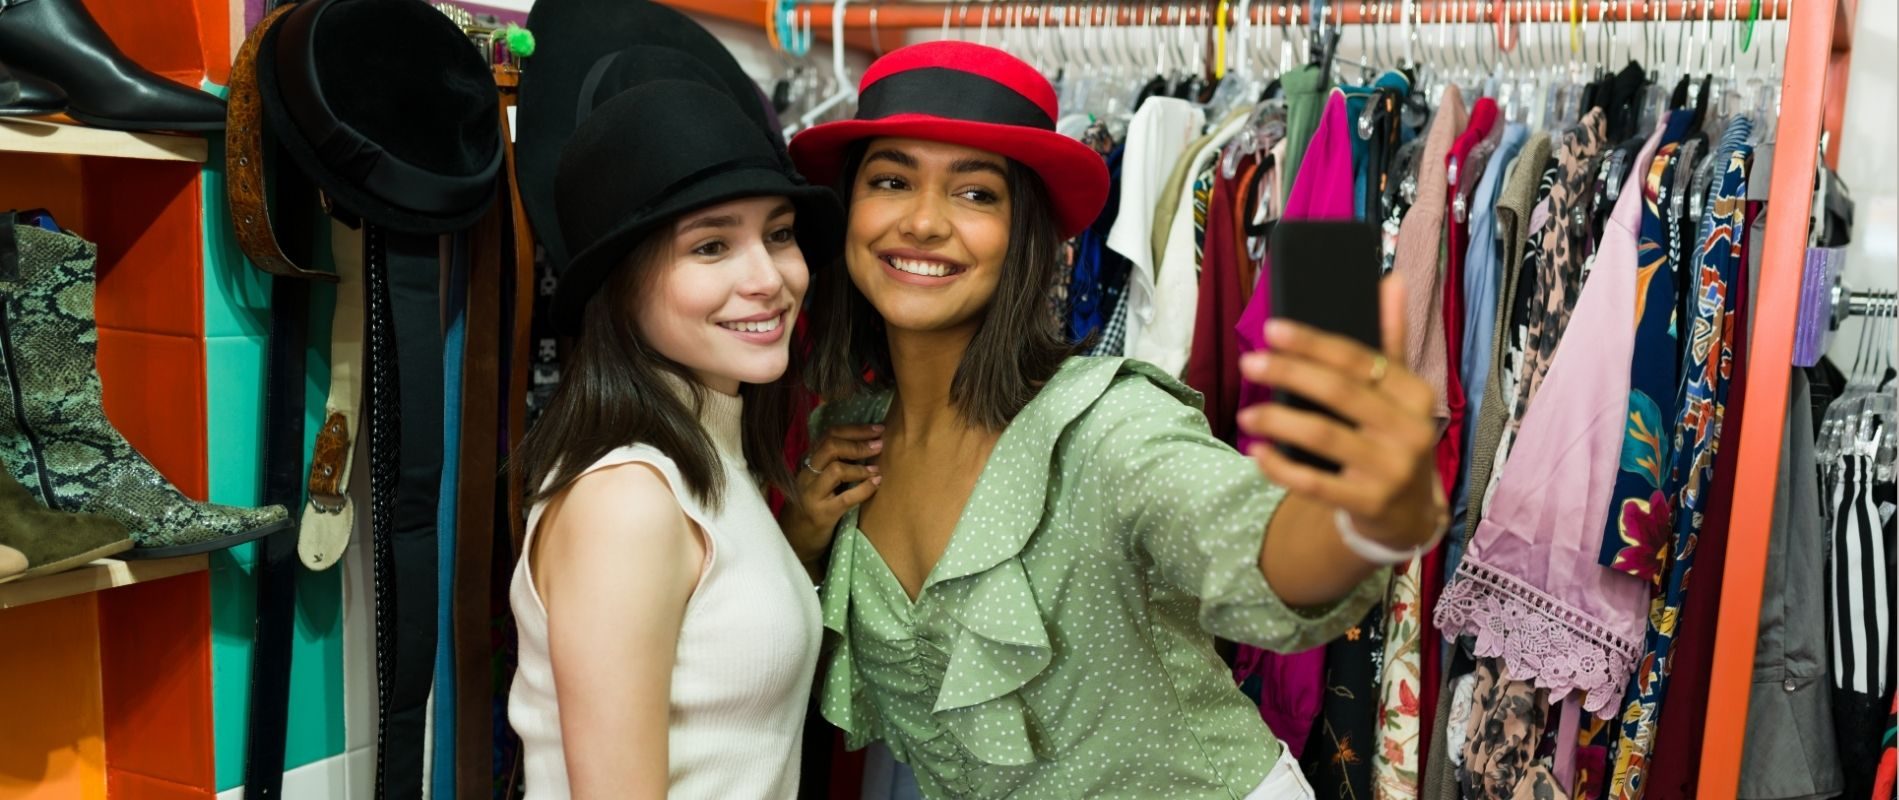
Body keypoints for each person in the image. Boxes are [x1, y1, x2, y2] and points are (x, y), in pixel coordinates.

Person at [780, 42, 1448, 799]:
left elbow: (1245, 537)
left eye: (975, 194)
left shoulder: (1104, 425)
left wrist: (1354, 517)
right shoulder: (848, 436)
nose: (924, 221)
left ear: (1025, 234)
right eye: (892, 180)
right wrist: (802, 543)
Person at [505, 77, 851, 799]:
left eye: (779, 234)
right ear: (623, 283)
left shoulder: (708, 460)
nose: (769, 279)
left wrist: (803, 543)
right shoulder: (627, 500)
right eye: (711, 246)